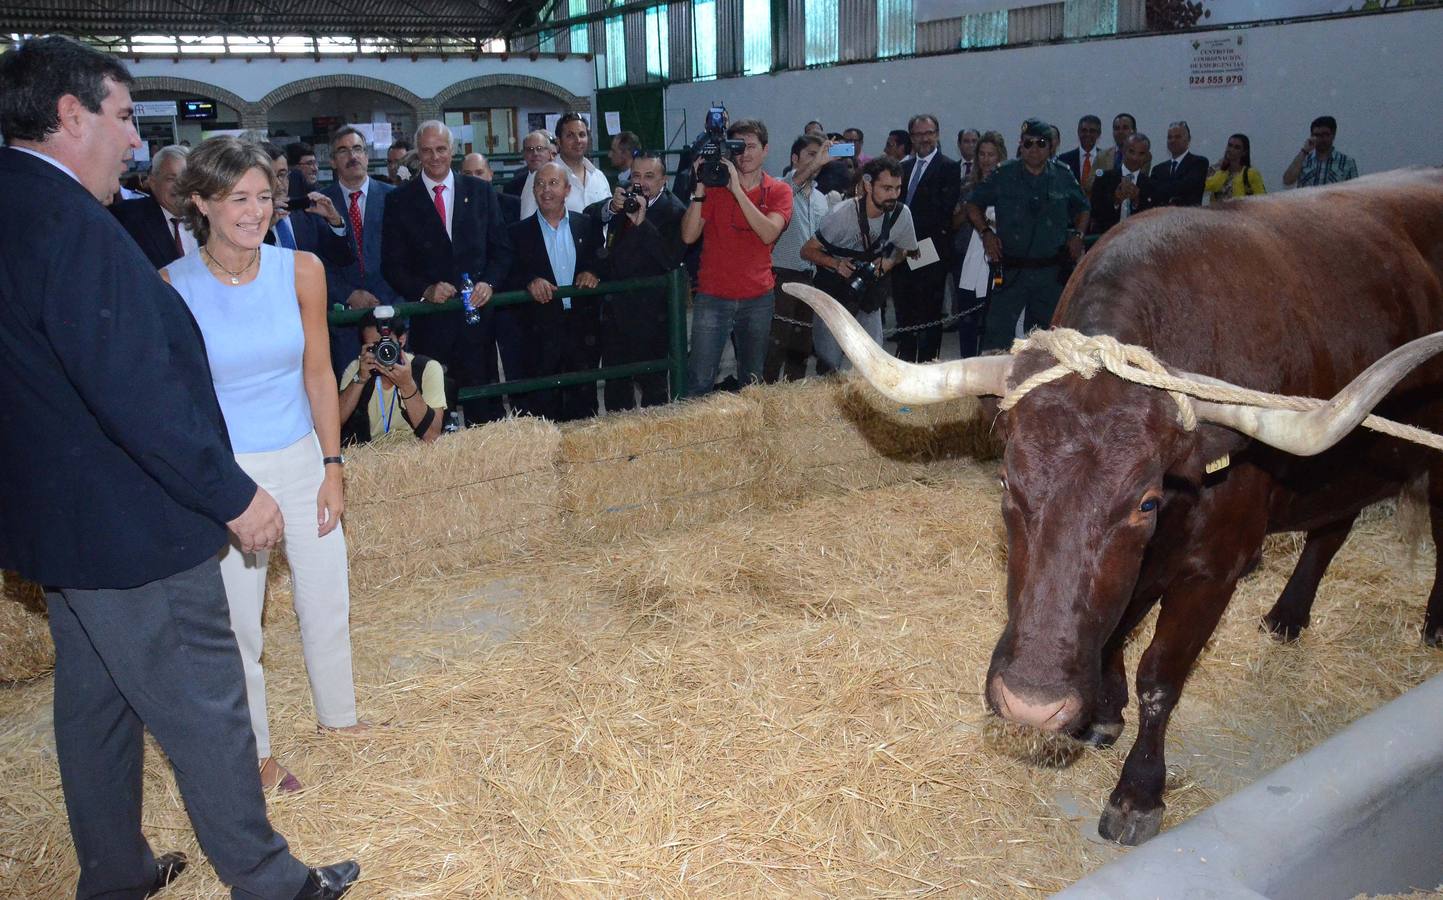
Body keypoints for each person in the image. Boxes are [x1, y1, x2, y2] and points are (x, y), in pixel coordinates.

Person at [0, 36, 357, 899]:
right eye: (123, 118)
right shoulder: (70, 223)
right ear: (70, 114)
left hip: (59, 522)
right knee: (207, 701)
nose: (133, 142)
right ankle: (270, 882)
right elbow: (132, 389)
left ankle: (117, 873)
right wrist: (231, 494)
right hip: (131, 524)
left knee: (96, 708)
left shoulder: (9, 205)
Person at [163, 135, 364, 797]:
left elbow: (316, 371)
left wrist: (331, 465)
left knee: (326, 598)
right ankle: (258, 757)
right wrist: (216, 487)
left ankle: (341, 721)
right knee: (238, 623)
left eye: (263, 196)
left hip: (303, 455)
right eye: (237, 198)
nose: (254, 211)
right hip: (230, 476)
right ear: (202, 202)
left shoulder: (301, 269)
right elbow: (182, 401)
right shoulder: (172, 286)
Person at [381, 120, 513, 425]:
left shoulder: (480, 192)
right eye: (427, 151)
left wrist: (489, 283)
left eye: (441, 149)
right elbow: (391, 266)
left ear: (452, 150)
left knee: (484, 411)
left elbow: (502, 250)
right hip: (432, 326)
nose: (435, 157)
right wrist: (425, 289)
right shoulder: (399, 201)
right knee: (437, 414)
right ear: (418, 153)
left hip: (478, 325)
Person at [681, 117, 793, 395]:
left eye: (752, 146)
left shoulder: (779, 191)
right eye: (739, 146)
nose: (745, 153)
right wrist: (699, 187)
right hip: (712, 295)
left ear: (765, 150)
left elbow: (768, 233)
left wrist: (737, 190)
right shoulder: (714, 189)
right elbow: (688, 236)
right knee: (699, 378)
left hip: (758, 298)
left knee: (752, 380)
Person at [966, 120, 1089, 351]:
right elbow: (973, 204)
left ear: (1050, 147)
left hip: (1050, 273)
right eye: (1028, 143)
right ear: (1020, 146)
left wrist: (1079, 235)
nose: (1034, 149)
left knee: (1049, 340)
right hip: (1012, 270)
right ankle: (995, 385)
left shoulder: (1062, 175)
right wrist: (986, 234)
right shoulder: (1005, 174)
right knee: (997, 338)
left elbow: (1083, 207)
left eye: (1040, 143)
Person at [587, 150, 687, 409]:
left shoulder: (675, 211)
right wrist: (610, 206)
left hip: (652, 317)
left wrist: (643, 224)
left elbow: (669, 259)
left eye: (650, 176)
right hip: (615, 313)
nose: (641, 182)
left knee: (653, 387)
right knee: (616, 387)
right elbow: (589, 216)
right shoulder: (624, 200)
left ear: (664, 180)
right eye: (636, 175)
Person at [506, 160, 604, 420]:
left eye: (553, 183)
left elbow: (602, 260)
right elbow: (508, 273)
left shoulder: (588, 225)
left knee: (584, 406)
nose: (545, 190)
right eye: (540, 184)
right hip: (539, 334)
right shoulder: (516, 233)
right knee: (542, 408)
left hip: (582, 333)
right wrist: (529, 281)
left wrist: (593, 272)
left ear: (567, 190)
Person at [803, 156, 919, 373]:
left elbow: (908, 250)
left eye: (897, 188)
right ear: (868, 185)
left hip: (869, 293)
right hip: (833, 292)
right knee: (829, 366)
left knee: (874, 363)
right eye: (886, 188)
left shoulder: (902, 214)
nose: (893, 195)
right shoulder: (841, 214)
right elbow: (807, 251)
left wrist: (890, 261)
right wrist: (835, 264)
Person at [322, 125, 401, 377]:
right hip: (345, 318)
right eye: (343, 151)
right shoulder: (320, 204)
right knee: (352, 389)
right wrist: (349, 294)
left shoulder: (395, 198)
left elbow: (406, 254)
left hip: (391, 309)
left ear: (366, 155)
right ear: (333, 161)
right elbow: (316, 261)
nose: (352, 156)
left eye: (357, 149)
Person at [765, 133, 833, 383]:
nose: (819, 160)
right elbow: (792, 184)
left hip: (810, 277)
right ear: (795, 158)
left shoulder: (821, 198)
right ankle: (766, 398)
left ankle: (794, 399)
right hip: (781, 277)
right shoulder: (780, 188)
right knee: (775, 344)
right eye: (812, 155)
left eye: (821, 155)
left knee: (801, 347)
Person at [894, 113, 961, 362]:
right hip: (900, 255)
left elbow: (941, 213)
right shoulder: (902, 168)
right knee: (905, 316)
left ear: (937, 134)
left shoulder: (949, 168)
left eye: (928, 133)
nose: (924, 139)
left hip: (930, 254)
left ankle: (928, 367)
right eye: (918, 134)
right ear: (911, 137)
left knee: (929, 316)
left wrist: (914, 246)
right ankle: (904, 364)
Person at [339, 310, 447, 444]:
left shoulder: (427, 369)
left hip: (415, 455)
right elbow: (334, 424)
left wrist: (407, 385)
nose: (383, 351)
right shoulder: (356, 369)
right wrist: (360, 379)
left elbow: (432, 436)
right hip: (369, 456)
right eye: (375, 346)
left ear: (402, 339)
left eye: (386, 344)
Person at [951, 131, 1007, 358]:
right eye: (981, 154)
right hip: (967, 256)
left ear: (999, 156)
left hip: (997, 257)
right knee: (967, 319)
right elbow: (953, 223)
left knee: (992, 319)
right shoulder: (966, 184)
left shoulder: (1008, 185)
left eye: (990, 154)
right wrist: (970, 210)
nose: (985, 159)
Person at [112, 143, 195, 268]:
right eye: (171, 178)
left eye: (186, 179)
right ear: (153, 182)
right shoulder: (126, 219)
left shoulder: (209, 219)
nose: (180, 185)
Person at [519, 113, 610, 219]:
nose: (578, 140)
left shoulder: (598, 177)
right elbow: (527, 224)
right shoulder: (539, 177)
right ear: (559, 142)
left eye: (582, 135)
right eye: (570, 135)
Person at [1089, 132, 1155, 235]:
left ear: (1147, 156)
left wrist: (1136, 202)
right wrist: (1116, 200)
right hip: (1106, 240)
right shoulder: (1104, 179)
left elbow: (1152, 220)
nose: (1135, 158)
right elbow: (1095, 213)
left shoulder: (1151, 184)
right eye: (1131, 152)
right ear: (1123, 151)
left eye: (1141, 154)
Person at [1282, 115, 1359, 188]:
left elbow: (1355, 192)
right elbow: (1287, 181)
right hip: (1307, 202)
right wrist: (1304, 151)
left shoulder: (1347, 162)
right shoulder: (1303, 160)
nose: (1320, 139)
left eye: (1325, 134)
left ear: (1333, 135)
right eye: (1316, 135)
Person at [1147, 120, 1208, 207]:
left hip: (1188, 217)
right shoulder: (1158, 169)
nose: (1173, 140)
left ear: (1189, 139)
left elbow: (1187, 187)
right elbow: (1153, 195)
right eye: (1169, 137)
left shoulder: (1199, 163)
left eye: (1177, 137)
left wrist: (1162, 189)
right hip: (1162, 217)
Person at [1205, 133, 1266, 202]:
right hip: (1216, 212)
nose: (1231, 149)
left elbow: (1262, 200)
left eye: (1237, 147)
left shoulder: (1251, 174)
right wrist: (1222, 170)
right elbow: (1203, 187)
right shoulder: (1215, 169)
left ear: (1244, 152)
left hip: (1240, 211)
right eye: (1229, 145)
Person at [1058, 115, 1103, 194]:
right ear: (1078, 132)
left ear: (1099, 134)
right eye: (1084, 130)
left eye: (1092, 131)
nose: (1087, 134)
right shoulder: (1064, 160)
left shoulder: (1107, 159)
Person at [506, 129, 556, 198]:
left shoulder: (563, 181)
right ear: (524, 154)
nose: (535, 153)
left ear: (549, 153)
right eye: (530, 149)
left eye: (539, 148)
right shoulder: (512, 187)